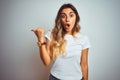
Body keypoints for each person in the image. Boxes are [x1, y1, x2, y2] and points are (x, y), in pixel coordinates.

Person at [32, 3, 90, 80]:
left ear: (76, 18)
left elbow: (84, 64)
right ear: (60, 19)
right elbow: (46, 62)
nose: (67, 19)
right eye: (63, 16)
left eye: (71, 15)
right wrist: (40, 39)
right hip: (55, 78)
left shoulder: (83, 39)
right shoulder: (51, 35)